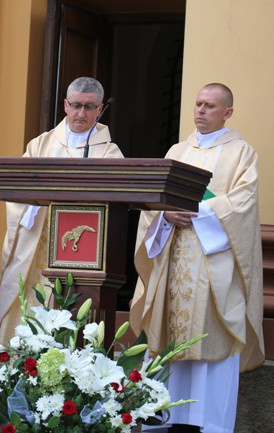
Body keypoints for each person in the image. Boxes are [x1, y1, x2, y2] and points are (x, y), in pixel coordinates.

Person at [131, 83, 264, 433]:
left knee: (212, 336)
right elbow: (152, 201)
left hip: (212, 264)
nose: (200, 111)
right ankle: (161, 419)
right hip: (173, 259)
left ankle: (210, 424)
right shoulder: (177, 150)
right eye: (198, 104)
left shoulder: (241, 153)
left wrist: (197, 211)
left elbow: (243, 204)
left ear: (227, 113)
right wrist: (163, 215)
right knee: (166, 333)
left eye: (209, 106)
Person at [0, 77, 124, 344]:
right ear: (65, 105)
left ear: (100, 110)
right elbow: (19, 191)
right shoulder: (41, 145)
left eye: (89, 107)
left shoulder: (110, 154)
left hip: (81, 252)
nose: (81, 113)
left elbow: (116, 201)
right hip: (38, 244)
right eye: (76, 105)